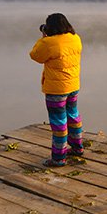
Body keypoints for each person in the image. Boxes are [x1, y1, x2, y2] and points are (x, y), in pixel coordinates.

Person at [29, 13, 84, 167]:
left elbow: (35, 55)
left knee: (59, 122)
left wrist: (43, 37)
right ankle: (77, 148)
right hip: (73, 85)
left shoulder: (49, 42)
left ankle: (59, 158)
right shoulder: (75, 38)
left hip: (56, 90)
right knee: (73, 116)